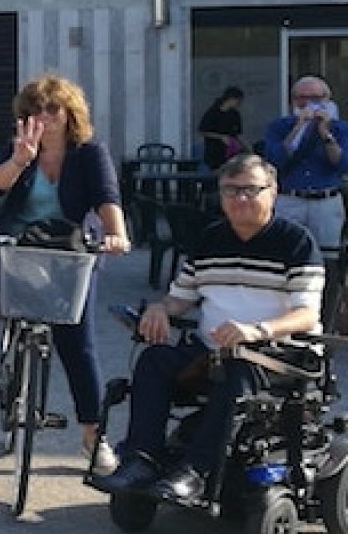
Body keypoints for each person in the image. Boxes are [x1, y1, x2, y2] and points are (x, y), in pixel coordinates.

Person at [93, 154, 324, 501]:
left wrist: (256, 330)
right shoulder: (210, 239)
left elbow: (306, 315)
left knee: (238, 370)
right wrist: (159, 310)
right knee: (153, 360)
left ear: (273, 192)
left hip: (275, 356)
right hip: (211, 349)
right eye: (230, 191)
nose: (239, 199)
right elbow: (180, 299)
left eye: (250, 190)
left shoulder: (296, 242)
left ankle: (195, 472)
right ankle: (141, 460)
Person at [0, 74, 131, 466]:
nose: (43, 117)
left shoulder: (88, 152)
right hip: (13, 244)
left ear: (69, 114)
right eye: (34, 110)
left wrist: (116, 235)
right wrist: (19, 160)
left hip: (66, 249)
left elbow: (106, 198)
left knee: (77, 342)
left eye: (52, 109)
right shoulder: (19, 149)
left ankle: (92, 435)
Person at [262, 76, 348, 327]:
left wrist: (325, 135)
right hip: (291, 199)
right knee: (285, 258)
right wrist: (299, 128)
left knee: (327, 263)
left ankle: (324, 320)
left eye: (316, 98)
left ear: (328, 100)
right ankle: (286, 318)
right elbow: (275, 160)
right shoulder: (280, 126)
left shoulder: (340, 128)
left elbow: (342, 164)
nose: (309, 104)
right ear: (293, 101)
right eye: (302, 98)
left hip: (325, 200)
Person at [198, 86, 246, 171]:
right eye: (238, 101)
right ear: (231, 99)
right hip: (215, 152)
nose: (239, 104)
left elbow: (239, 134)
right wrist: (220, 137)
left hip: (231, 152)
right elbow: (203, 130)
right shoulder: (213, 112)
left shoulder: (235, 114)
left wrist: (247, 147)